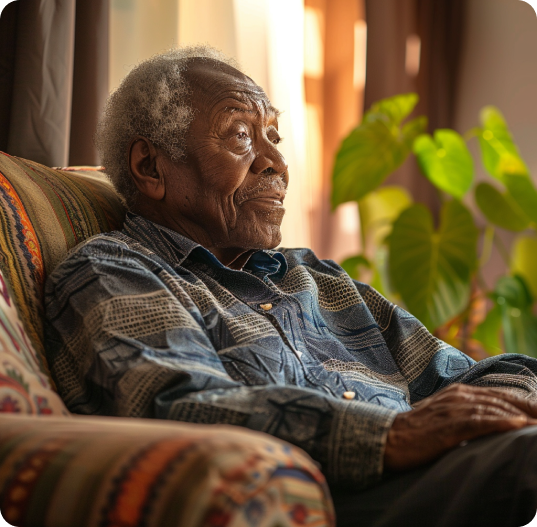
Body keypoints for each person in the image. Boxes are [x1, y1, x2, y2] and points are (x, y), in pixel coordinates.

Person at [45, 46, 537, 526]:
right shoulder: (114, 272)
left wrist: (509, 405)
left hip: (454, 474)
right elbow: (184, 407)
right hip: (318, 499)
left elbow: (458, 374)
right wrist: (392, 434)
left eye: (273, 137)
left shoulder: (317, 278)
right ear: (151, 168)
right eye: (241, 136)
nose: (276, 163)